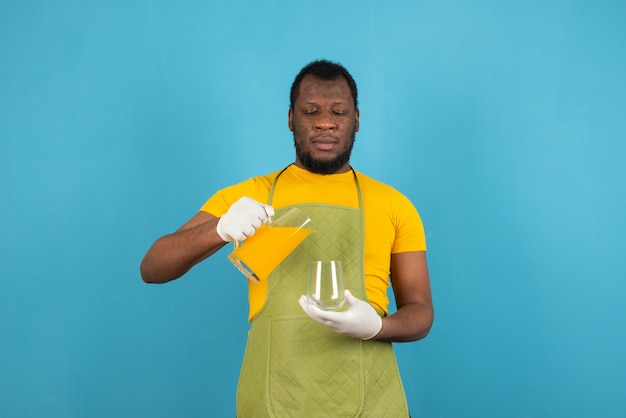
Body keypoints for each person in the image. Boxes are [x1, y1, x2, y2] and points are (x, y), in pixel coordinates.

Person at [140, 59, 434, 417]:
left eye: (338, 112)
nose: (325, 121)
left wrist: (377, 327)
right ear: (291, 118)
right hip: (273, 397)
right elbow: (153, 267)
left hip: (371, 398)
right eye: (311, 111)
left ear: (356, 119)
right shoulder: (252, 195)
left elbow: (420, 311)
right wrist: (219, 229)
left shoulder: (393, 204)